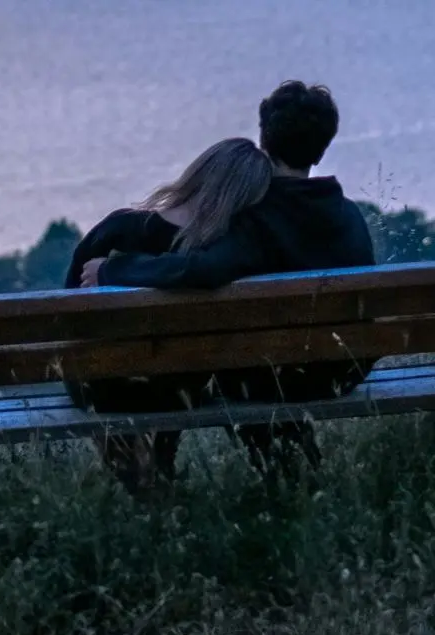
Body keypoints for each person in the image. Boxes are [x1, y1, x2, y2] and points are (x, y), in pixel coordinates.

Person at [79, 81, 378, 481]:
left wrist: (111, 271)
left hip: (276, 377)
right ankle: (296, 482)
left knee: (218, 362)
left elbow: (200, 270)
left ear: (264, 139)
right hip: (344, 372)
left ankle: (277, 481)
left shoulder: (257, 220)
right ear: (323, 145)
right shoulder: (349, 217)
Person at [63, 137, 273, 490]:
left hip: (100, 386)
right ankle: (158, 469)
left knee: (117, 364)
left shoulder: (120, 229)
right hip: (179, 386)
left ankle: (141, 484)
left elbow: (67, 307)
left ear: (199, 174)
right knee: (180, 364)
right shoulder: (227, 253)